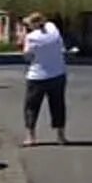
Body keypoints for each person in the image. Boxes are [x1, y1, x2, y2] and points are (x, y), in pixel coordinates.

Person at [22, 12, 68, 146]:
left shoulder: (31, 37)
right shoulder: (53, 28)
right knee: (58, 105)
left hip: (37, 75)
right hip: (58, 73)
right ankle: (61, 136)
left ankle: (31, 137)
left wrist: (24, 38)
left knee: (31, 106)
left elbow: (27, 57)